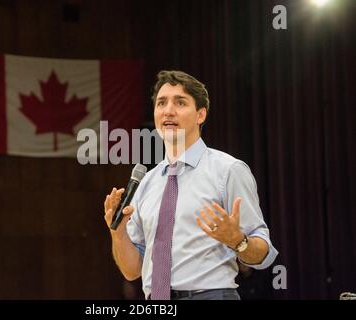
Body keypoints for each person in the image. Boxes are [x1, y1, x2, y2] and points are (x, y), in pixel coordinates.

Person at [103, 70, 278, 300]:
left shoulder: (228, 170)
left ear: (201, 115)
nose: (168, 110)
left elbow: (263, 254)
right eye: (161, 103)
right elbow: (131, 270)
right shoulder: (146, 183)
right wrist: (117, 233)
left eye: (180, 102)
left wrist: (238, 241)